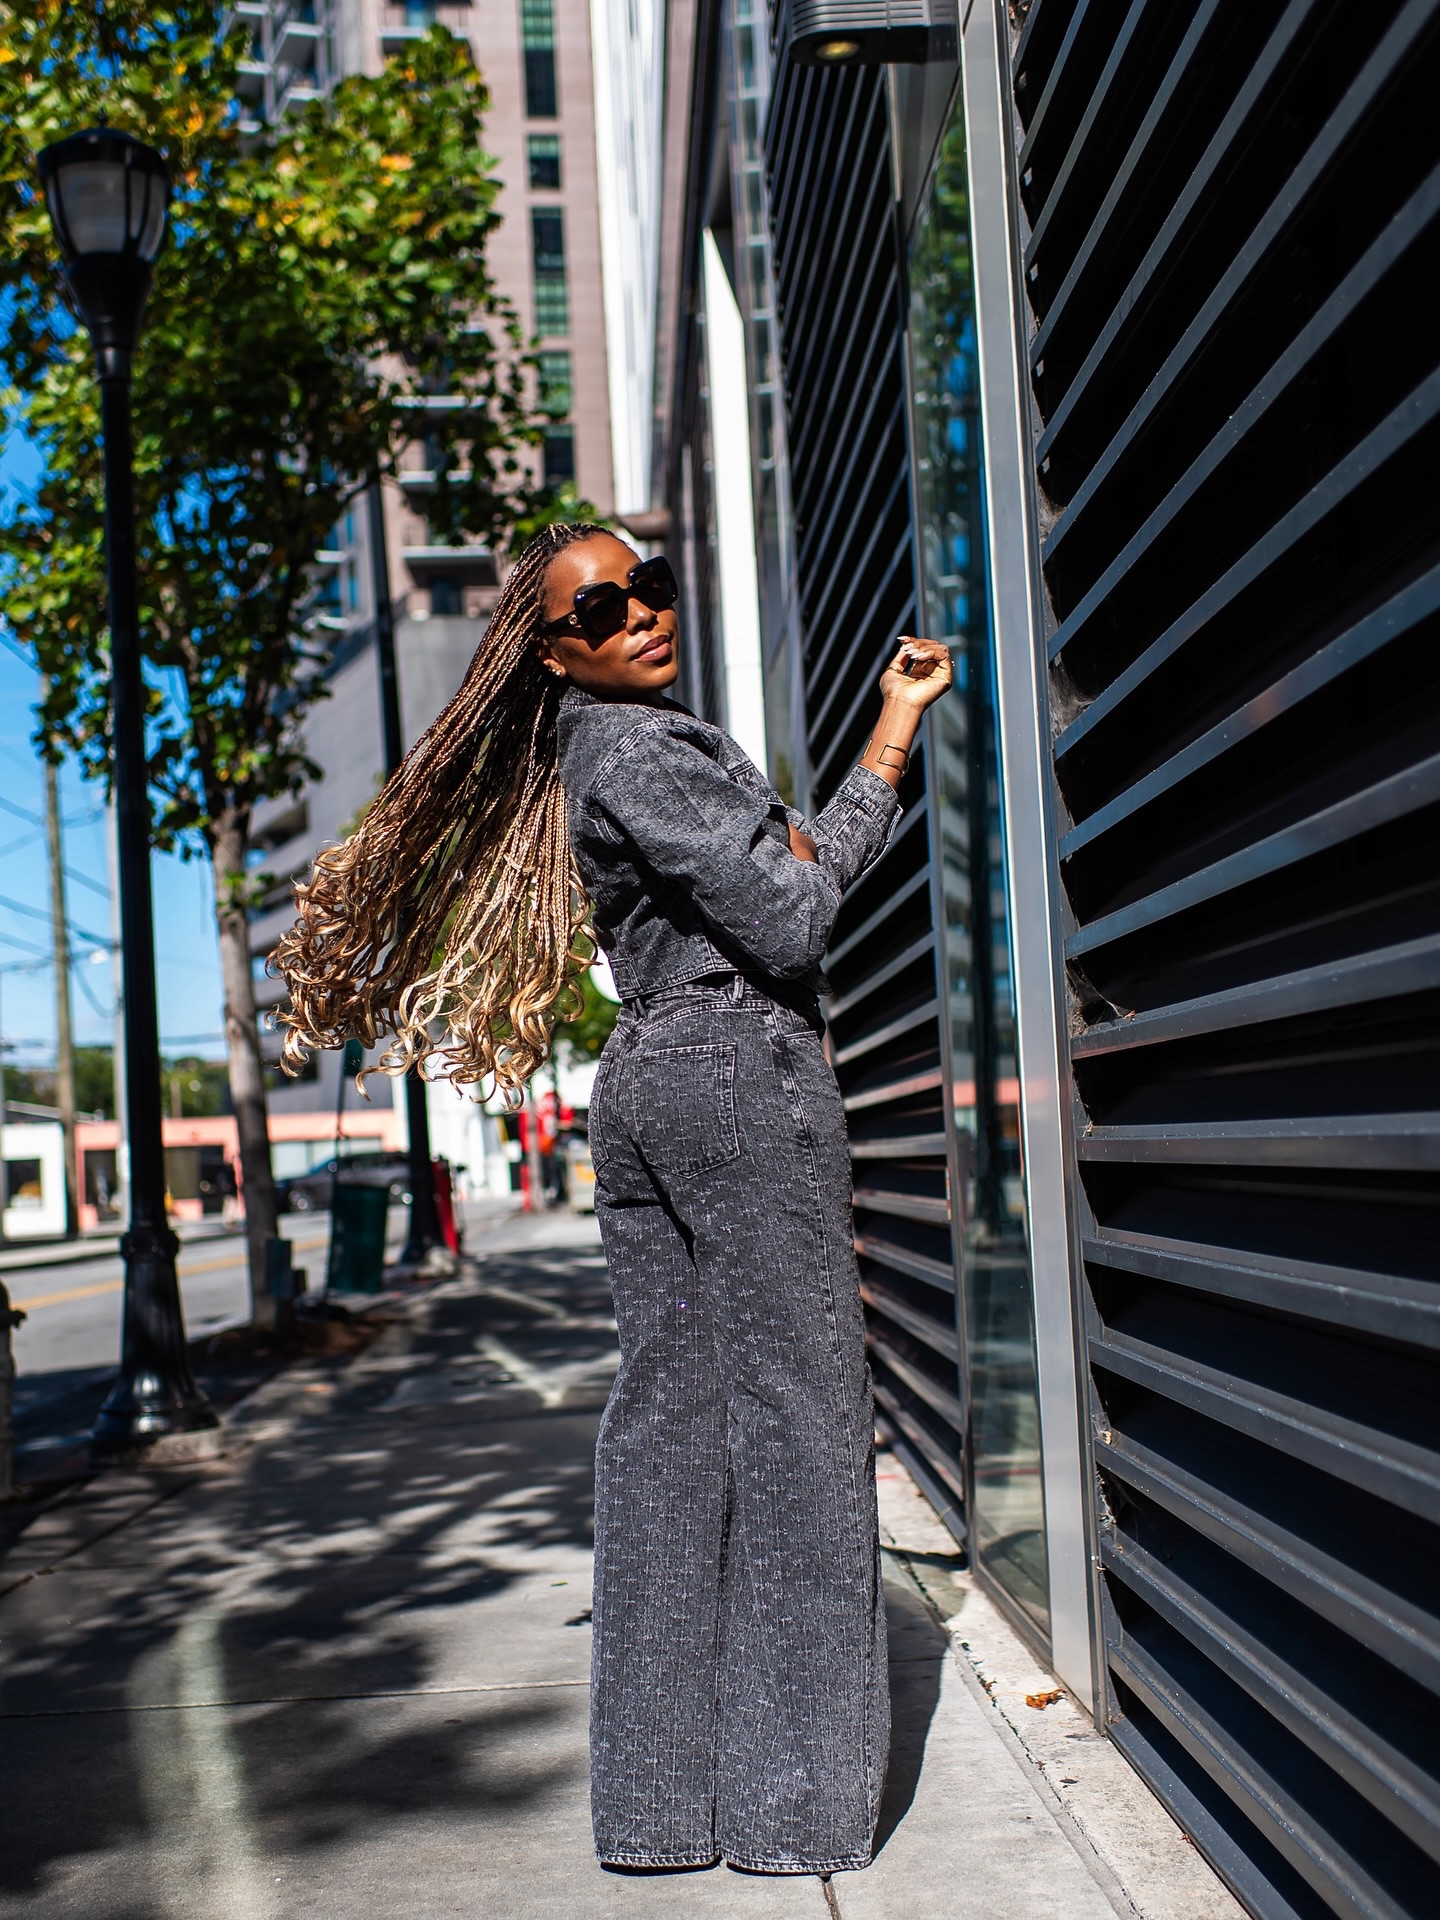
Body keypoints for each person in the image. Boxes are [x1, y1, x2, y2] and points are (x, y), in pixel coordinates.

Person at [269, 522, 951, 1876]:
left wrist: (892, 721)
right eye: (604, 607)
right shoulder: (647, 746)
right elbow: (796, 918)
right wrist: (888, 745)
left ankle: (656, 1810)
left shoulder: (589, 755)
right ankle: (792, 1809)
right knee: (803, 1427)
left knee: (669, 1433)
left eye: (649, 588)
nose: (642, 613)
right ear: (553, 645)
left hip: (646, 1075)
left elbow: (770, 878)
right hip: (735, 1073)